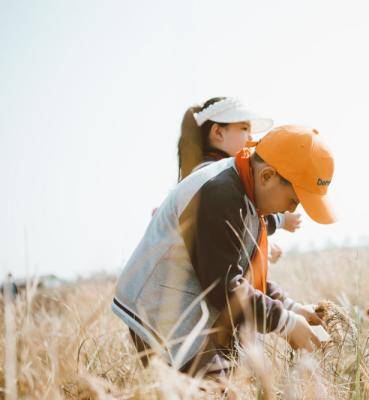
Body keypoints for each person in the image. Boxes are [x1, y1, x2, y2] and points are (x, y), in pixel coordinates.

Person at [112, 125, 336, 377]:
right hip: (160, 310)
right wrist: (285, 323)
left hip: (194, 304)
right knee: (215, 390)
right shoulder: (221, 194)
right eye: (293, 200)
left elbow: (241, 271)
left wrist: (291, 308)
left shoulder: (247, 191)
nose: (291, 210)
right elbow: (225, 288)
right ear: (267, 176)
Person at [177, 97, 302, 243]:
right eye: (244, 128)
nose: (251, 137)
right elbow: (243, 218)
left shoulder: (213, 173)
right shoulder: (212, 177)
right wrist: (280, 220)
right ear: (218, 132)